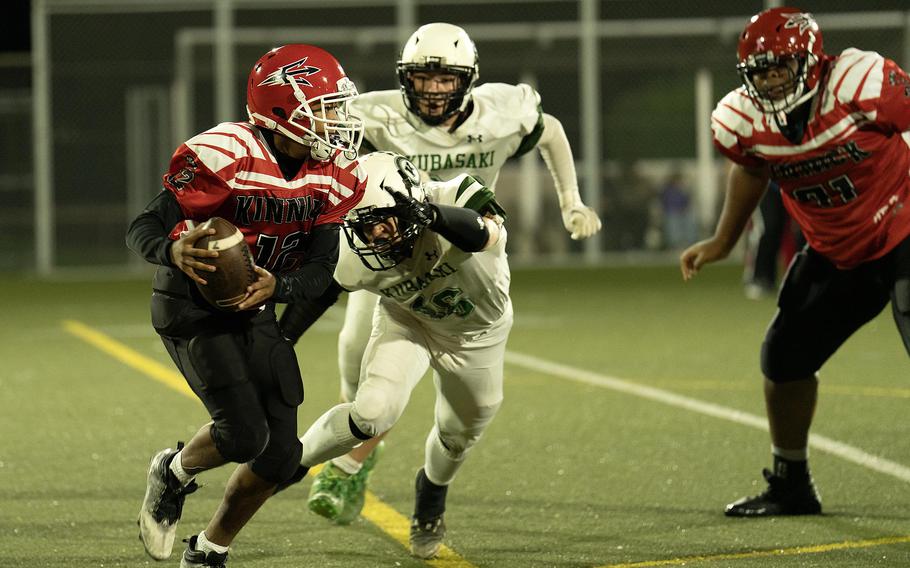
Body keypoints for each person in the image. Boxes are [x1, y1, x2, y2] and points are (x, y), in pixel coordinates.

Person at [279, 21, 602, 526]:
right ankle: (353, 460)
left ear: (468, 78)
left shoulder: (502, 112)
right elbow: (311, 138)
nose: (432, 90)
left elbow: (552, 131)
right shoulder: (374, 113)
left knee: (467, 412)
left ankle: (385, 468)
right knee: (354, 352)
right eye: (422, 79)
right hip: (385, 253)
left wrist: (571, 200)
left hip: (461, 239)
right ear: (404, 78)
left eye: (444, 79)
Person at [126, 44, 365, 566]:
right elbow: (143, 226)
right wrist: (170, 249)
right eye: (323, 107)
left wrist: (277, 287)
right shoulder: (227, 151)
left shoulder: (335, 172)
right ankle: (172, 472)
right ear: (280, 110)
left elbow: (324, 269)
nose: (337, 119)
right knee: (243, 435)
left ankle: (208, 550)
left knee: (281, 455)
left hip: (256, 302)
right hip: (192, 301)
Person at [680, 6, 910, 517]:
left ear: (811, 59)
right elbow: (750, 171)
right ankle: (791, 484)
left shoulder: (860, 79)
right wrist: (722, 241)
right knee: (783, 360)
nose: (770, 79)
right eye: (759, 71)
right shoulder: (740, 118)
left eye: (779, 67)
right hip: (835, 251)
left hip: (903, 229)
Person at [283, 151, 511, 559]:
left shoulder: (456, 194)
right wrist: (283, 338)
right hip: (409, 322)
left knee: (458, 435)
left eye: (383, 221)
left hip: (478, 335)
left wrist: (433, 216)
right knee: (371, 411)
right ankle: (288, 464)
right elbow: (321, 289)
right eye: (364, 228)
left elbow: (485, 235)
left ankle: (431, 492)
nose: (376, 237)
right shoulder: (356, 249)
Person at [742, 181, 805, 299]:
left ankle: (803, 279)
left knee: (805, 230)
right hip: (767, 183)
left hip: (799, 182)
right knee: (769, 226)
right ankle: (760, 277)